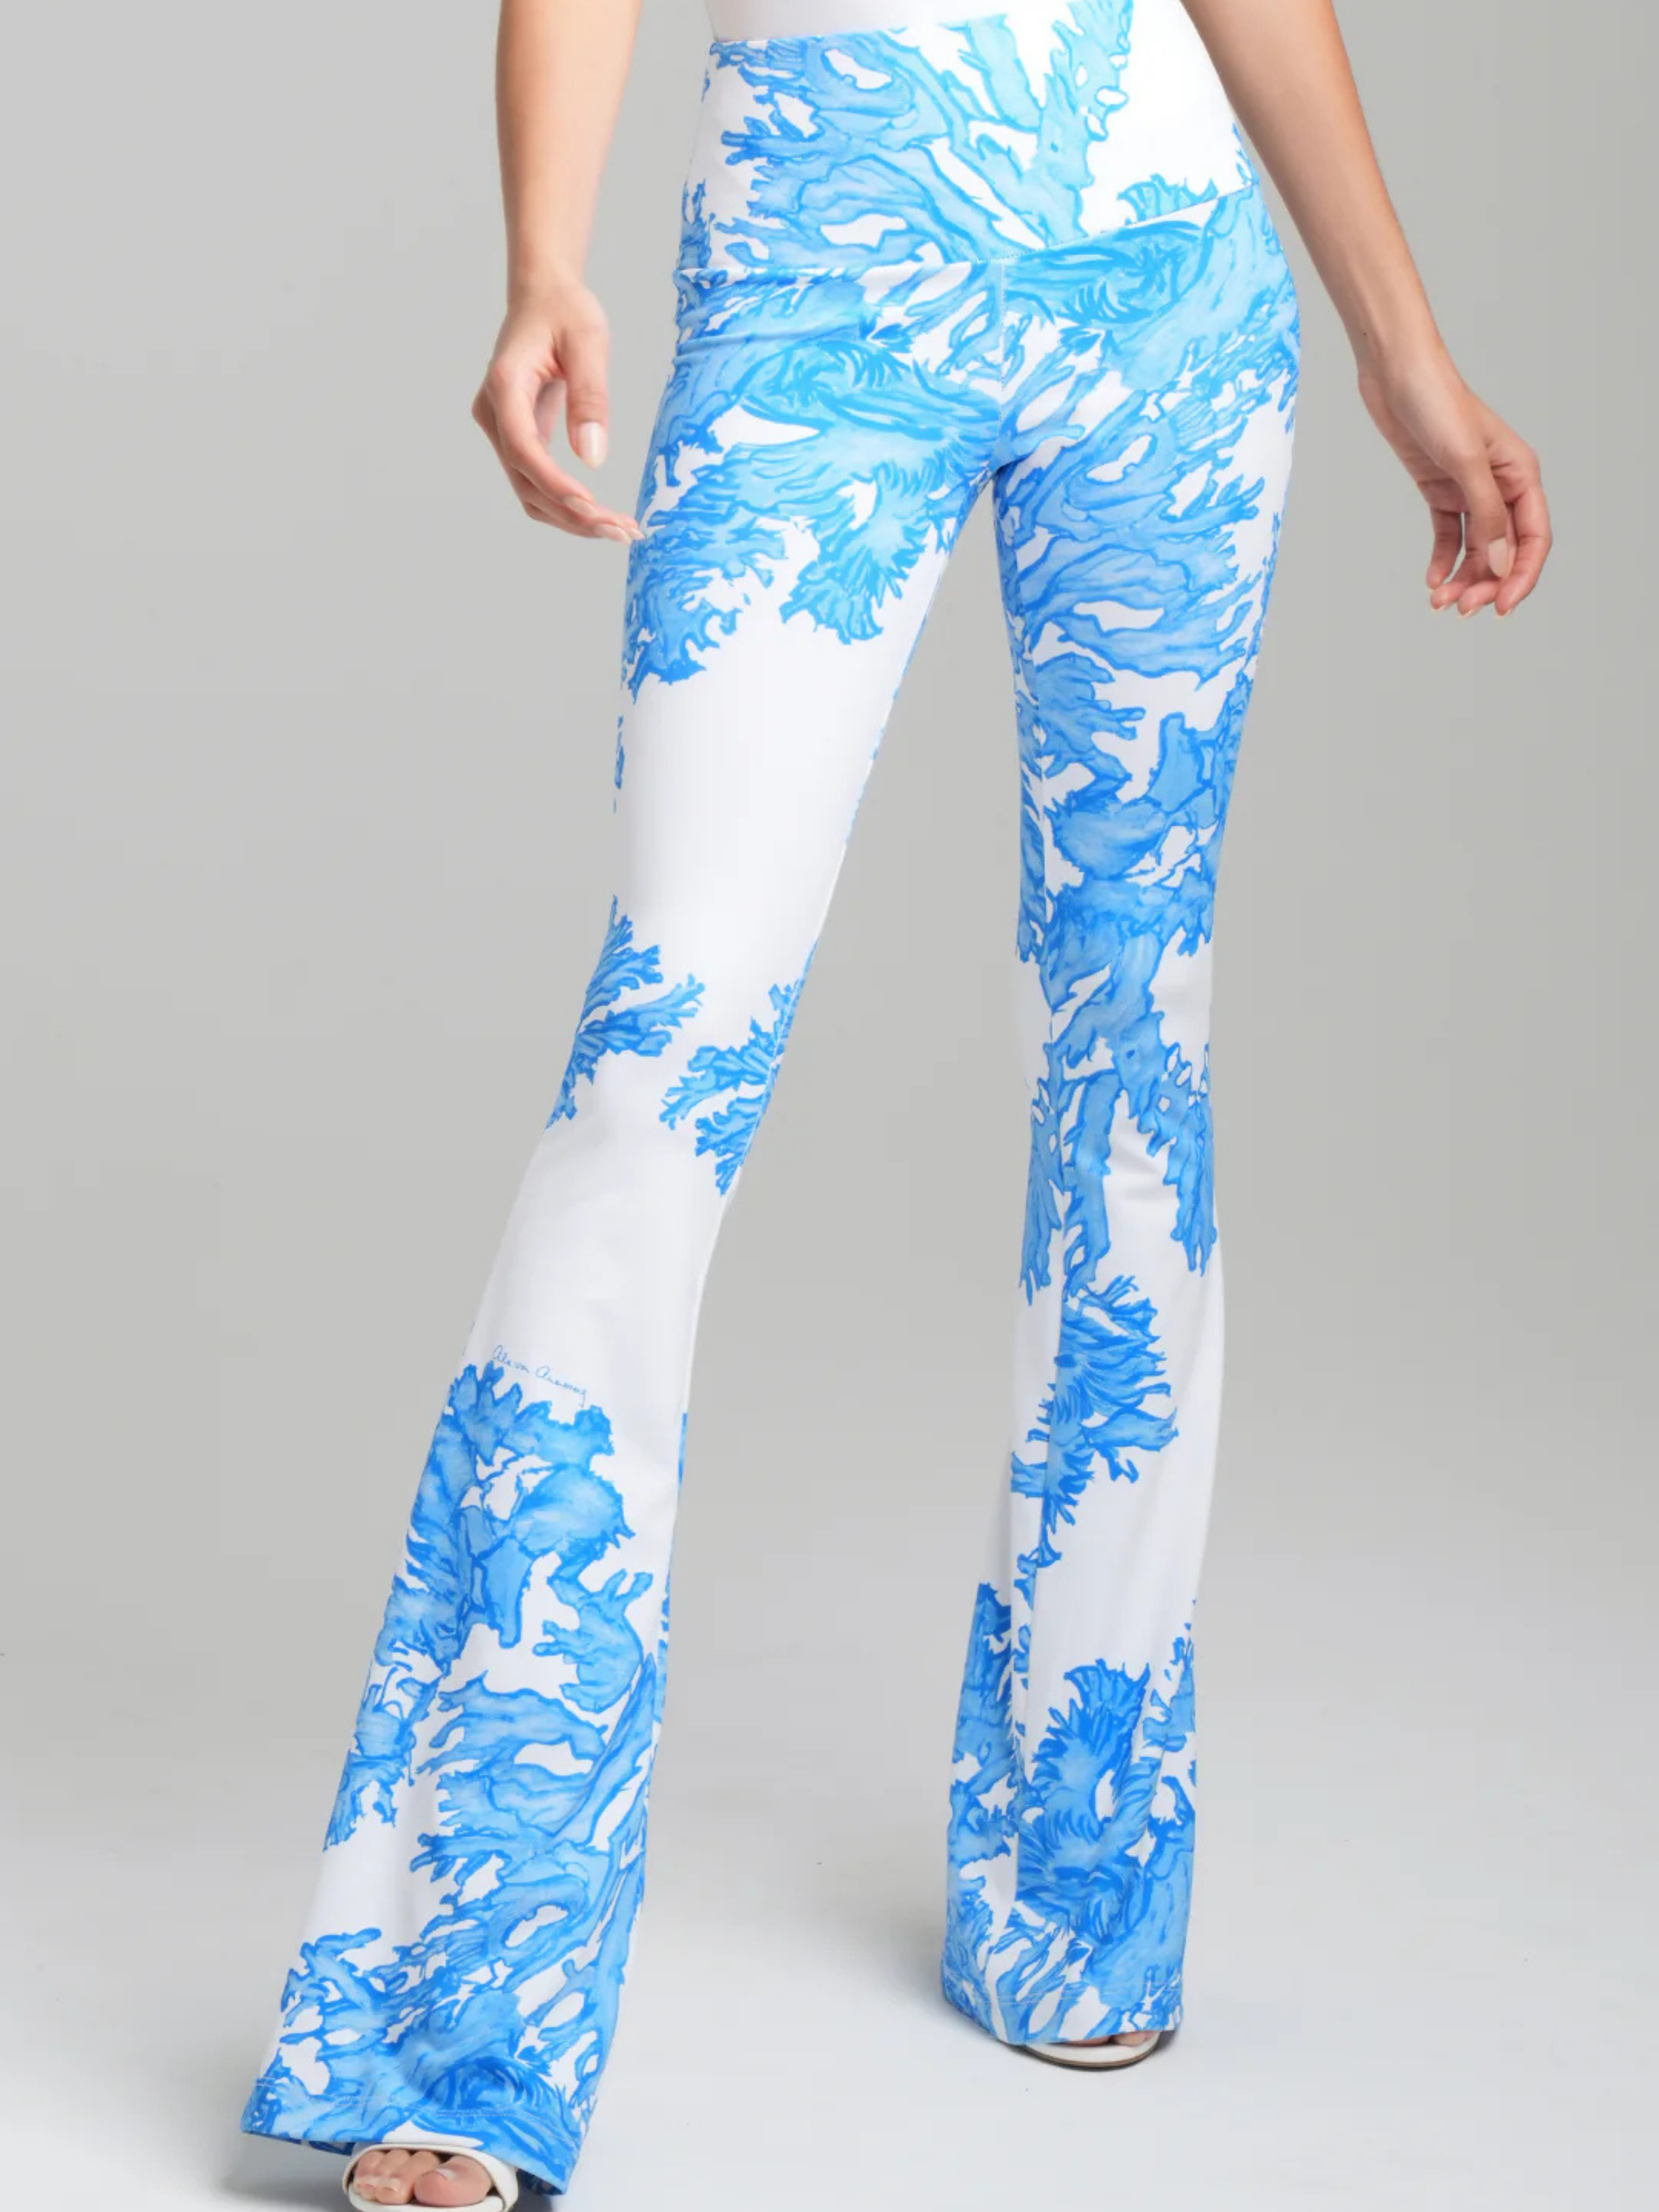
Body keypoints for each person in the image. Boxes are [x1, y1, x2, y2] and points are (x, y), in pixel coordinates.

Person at [241, 1, 1551, 2204]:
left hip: (1171, 285)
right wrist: (544, 254)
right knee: (664, 1054)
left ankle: (1078, 1887)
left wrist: (1397, 343)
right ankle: (462, 2021)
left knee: (1136, 1055)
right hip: (822, 259)